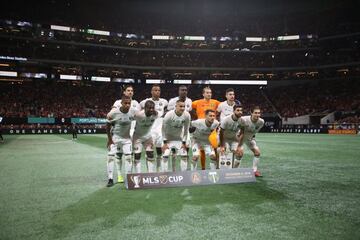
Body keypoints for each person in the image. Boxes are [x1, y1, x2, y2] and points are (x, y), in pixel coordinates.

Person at [110, 85, 140, 183]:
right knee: (118, 154)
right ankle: (119, 175)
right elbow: (112, 114)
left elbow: (139, 116)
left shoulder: (136, 103)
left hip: (132, 131)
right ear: (124, 92)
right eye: (128, 90)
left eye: (132, 90)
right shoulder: (118, 102)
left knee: (130, 156)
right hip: (120, 131)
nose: (130, 92)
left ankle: (131, 177)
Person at [106, 95, 137, 187]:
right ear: (121, 103)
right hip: (115, 138)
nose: (127, 105)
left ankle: (128, 179)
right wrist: (109, 139)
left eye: (129, 103)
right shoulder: (113, 113)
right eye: (125, 103)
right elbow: (107, 126)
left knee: (128, 158)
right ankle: (110, 179)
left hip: (126, 139)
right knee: (110, 157)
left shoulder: (133, 112)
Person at [139, 85, 168, 172]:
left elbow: (166, 112)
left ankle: (158, 171)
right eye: (155, 90)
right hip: (150, 130)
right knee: (150, 151)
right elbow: (140, 112)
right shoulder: (145, 102)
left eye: (159, 90)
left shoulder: (164, 102)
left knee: (160, 151)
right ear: (151, 91)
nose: (157, 92)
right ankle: (150, 172)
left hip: (160, 130)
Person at [191, 86, 220, 170]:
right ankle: (203, 168)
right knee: (201, 151)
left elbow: (223, 107)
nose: (209, 94)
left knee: (215, 147)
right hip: (200, 126)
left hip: (211, 127)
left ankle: (216, 167)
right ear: (203, 94)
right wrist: (195, 116)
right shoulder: (197, 102)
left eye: (210, 93)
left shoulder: (216, 102)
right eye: (207, 92)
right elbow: (189, 108)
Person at [162, 100, 191, 172]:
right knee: (165, 155)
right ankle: (164, 174)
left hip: (179, 138)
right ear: (176, 106)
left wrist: (184, 143)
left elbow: (186, 130)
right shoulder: (169, 115)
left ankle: (184, 174)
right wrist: (165, 142)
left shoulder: (187, 115)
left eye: (184, 106)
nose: (182, 108)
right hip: (168, 138)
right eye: (180, 106)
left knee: (184, 155)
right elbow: (163, 129)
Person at [133, 100, 159, 173]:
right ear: (145, 108)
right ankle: (138, 175)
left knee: (150, 154)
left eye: (152, 108)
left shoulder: (155, 115)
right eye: (149, 108)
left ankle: (150, 174)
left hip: (148, 137)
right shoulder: (139, 115)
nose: (151, 110)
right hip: (137, 137)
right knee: (137, 155)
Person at [238, 106, 265, 177]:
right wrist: (239, 145)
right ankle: (235, 170)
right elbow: (240, 133)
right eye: (255, 113)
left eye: (259, 113)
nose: (257, 115)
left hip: (249, 138)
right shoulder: (243, 120)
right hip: (238, 137)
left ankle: (254, 171)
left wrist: (251, 138)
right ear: (251, 113)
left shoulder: (261, 122)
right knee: (239, 154)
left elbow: (254, 132)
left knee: (257, 153)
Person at [218, 104, 244, 169]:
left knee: (240, 153)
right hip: (224, 138)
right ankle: (221, 169)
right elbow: (221, 132)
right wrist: (222, 145)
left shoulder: (242, 120)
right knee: (225, 152)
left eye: (241, 110)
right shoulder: (226, 119)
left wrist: (239, 145)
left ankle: (234, 170)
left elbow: (242, 132)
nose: (240, 112)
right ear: (233, 111)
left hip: (233, 139)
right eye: (238, 110)